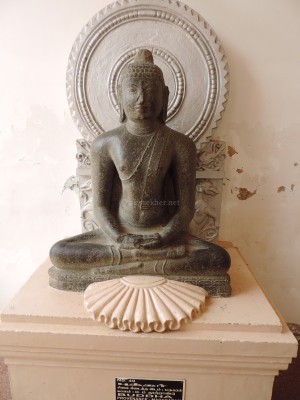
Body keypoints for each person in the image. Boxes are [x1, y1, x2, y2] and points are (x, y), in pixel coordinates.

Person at [49, 49, 230, 294]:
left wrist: (164, 237)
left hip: (164, 236)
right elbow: (101, 206)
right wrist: (119, 237)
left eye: (151, 90)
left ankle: (127, 265)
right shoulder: (106, 144)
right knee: (60, 254)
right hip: (119, 237)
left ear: (164, 96)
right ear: (120, 96)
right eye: (133, 90)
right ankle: (146, 263)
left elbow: (185, 208)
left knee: (219, 259)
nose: (142, 99)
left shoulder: (179, 144)